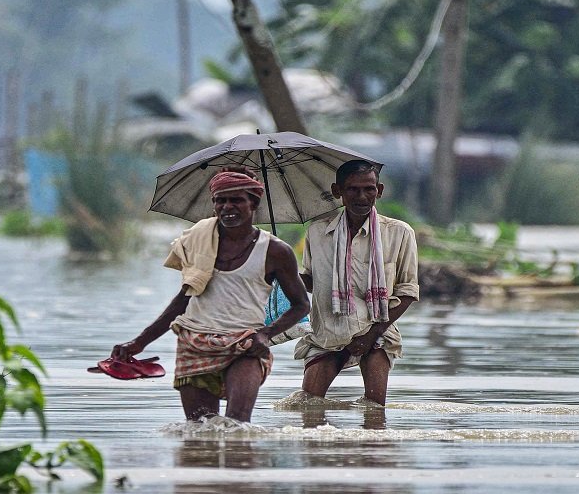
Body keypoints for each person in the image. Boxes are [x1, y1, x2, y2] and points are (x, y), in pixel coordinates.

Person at [111, 168, 309, 423]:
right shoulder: (198, 242)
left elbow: (301, 305)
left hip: (245, 343)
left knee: (237, 425)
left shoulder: (275, 251)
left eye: (236, 200)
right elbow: (183, 300)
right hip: (194, 341)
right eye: (220, 200)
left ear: (254, 203)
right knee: (199, 429)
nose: (227, 207)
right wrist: (139, 343)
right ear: (213, 205)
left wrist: (265, 334)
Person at [295, 159, 419, 406]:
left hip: (376, 330)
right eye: (353, 189)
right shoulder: (318, 232)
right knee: (308, 406)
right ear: (337, 191)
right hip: (329, 330)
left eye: (369, 189)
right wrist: (284, 272)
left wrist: (370, 336)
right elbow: (312, 281)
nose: (362, 196)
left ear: (379, 191)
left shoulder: (399, 232)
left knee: (374, 411)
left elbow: (407, 292)